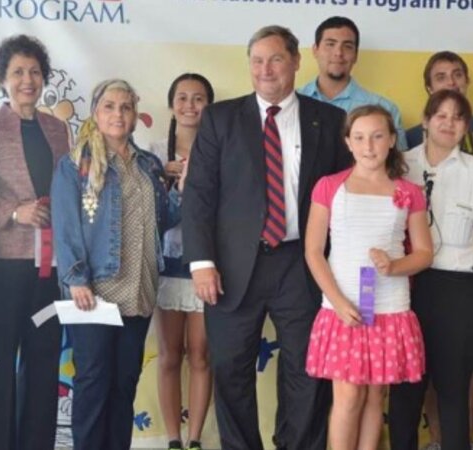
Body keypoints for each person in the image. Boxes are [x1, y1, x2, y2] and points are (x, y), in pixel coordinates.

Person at [182, 25, 351, 450]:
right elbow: (199, 194)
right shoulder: (221, 118)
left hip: (303, 263)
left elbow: (346, 197)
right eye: (257, 61)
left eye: (275, 59)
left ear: (296, 61)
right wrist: (202, 263)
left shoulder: (328, 121)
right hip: (233, 266)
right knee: (231, 368)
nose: (266, 69)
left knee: (306, 369)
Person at [53, 78, 176, 450]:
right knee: (93, 382)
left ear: (136, 115)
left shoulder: (149, 165)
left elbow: (163, 219)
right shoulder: (75, 165)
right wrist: (76, 279)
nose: (118, 114)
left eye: (125, 107)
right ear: (95, 112)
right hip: (94, 294)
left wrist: (187, 186)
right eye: (110, 106)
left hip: (138, 290)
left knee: (124, 384)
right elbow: (65, 226)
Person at [305, 104, 432, 450]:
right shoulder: (329, 187)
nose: (369, 146)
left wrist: (394, 266)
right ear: (348, 142)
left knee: (376, 397)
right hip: (343, 309)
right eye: (359, 137)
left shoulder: (408, 192)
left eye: (377, 136)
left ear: (392, 140)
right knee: (347, 398)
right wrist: (338, 300)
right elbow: (313, 251)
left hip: (389, 307)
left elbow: (423, 253)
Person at [389, 90, 473, 450]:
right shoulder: (397, 166)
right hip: (404, 287)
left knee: (454, 387)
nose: (448, 123)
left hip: (458, 289)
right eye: (440, 115)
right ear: (424, 121)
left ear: (466, 127)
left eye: (457, 117)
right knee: (406, 387)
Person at [0, 34, 70, 450]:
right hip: (3, 267)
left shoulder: (58, 128)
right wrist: (14, 211)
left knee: (44, 364)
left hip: (49, 272)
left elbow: (67, 191)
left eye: (34, 71)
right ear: (2, 80)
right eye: (17, 72)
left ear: (44, 77)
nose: (27, 80)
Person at [147, 73, 215, 450]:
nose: (190, 105)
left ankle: (195, 440)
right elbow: (146, 215)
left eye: (199, 98)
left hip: (205, 266)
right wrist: (164, 178)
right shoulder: (153, 153)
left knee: (202, 356)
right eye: (183, 98)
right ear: (172, 103)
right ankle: (173, 438)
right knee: (170, 355)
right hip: (166, 266)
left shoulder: (220, 148)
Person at [299, 16, 407, 149]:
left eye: (348, 46)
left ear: (355, 55)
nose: (338, 53)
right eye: (330, 44)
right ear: (315, 50)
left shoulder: (385, 109)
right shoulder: (293, 101)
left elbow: (397, 165)